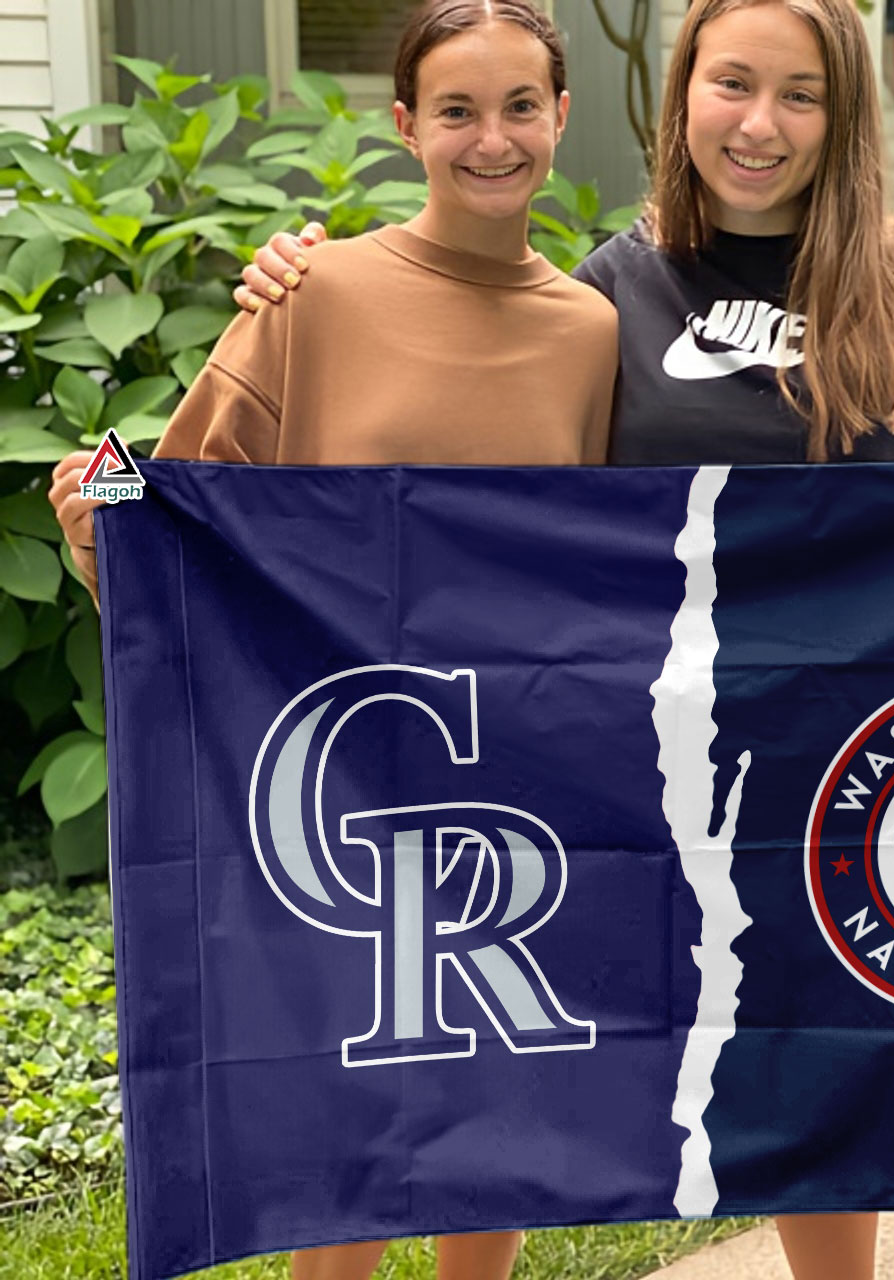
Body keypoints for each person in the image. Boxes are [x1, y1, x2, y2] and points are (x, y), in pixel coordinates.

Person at [229, 2, 894, 1277]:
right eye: (732, 83)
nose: (760, 122)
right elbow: (521, 501)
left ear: (843, 117)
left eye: (800, 93)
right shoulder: (614, 291)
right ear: (683, 97)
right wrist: (302, 284)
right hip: (712, 783)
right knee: (808, 1100)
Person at [47, 4, 617, 1279]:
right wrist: (97, 533)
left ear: (560, 118)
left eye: (520, 107)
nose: (491, 139)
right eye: (456, 111)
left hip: (509, 781)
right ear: (403, 123)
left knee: (494, 1106)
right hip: (331, 785)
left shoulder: (591, 331)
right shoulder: (317, 290)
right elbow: (174, 509)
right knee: (347, 1117)